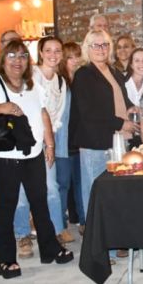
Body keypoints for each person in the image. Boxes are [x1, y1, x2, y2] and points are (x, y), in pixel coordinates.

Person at [0, 40, 73, 279]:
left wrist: (50, 144)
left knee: (40, 202)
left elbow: (43, 113)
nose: (18, 60)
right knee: (7, 205)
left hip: (33, 153)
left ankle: (50, 248)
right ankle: (5, 260)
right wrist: (1, 107)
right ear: (3, 60)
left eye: (23, 56)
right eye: (12, 55)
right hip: (5, 156)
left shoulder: (32, 84)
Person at [12, 36, 72, 259]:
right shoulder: (30, 77)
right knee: (21, 191)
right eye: (48, 50)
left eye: (57, 50)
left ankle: (54, 232)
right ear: (40, 53)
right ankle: (22, 235)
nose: (53, 55)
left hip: (47, 141)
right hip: (24, 141)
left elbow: (56, 116)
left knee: (51, 188)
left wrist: (50, 143)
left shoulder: (61, 81)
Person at [70, 30, 137, 223]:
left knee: (115, 191)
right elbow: (90, 112)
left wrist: (131, 106)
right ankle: (95, 236)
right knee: (95, 191)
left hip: (118, 139)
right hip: (95, 142)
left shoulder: (113, 71)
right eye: (96, 45)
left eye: (105, 44)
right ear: (87, 48)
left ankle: (113, 234)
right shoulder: (83, 74)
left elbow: (119, 98)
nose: (101, 49)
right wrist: (121, 122)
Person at [59, 42, 85, 233]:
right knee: (62, 184)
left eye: (77, 56)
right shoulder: (60, 82)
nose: (75, 61)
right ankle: (60, 226)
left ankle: (84, 221)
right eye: (70, 57)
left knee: (81, 183)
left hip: (81, 140)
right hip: (63, 141)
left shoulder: (83, 79)